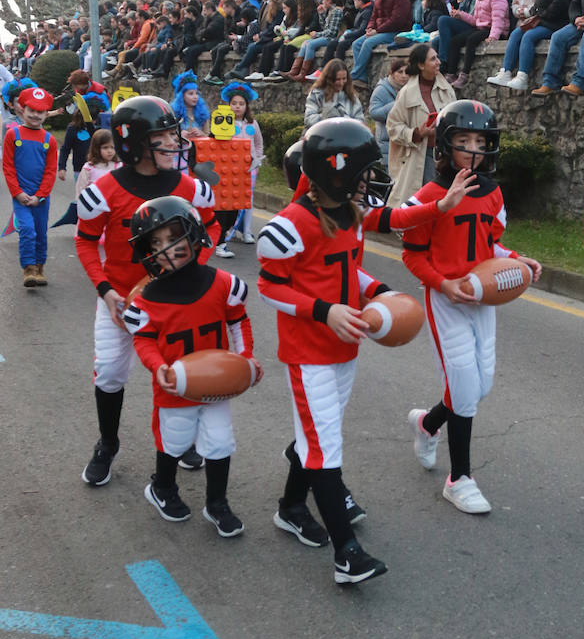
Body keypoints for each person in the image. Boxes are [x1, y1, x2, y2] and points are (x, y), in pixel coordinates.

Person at [256, 119, 390, 586]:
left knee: (315, 435)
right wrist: (322, 311)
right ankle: (346, 555)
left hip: (343, 348)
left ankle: (292, 506)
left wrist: (379, 290)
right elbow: (269, 287)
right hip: (309, 350)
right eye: (364, 170)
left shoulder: (349, 214)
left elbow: (349, 270)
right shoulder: (289, 225)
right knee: (324, 443)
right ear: (337, 171)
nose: (371, 179)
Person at [401, 100, 541, 514]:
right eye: (464, 140)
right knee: (464, 391)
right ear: (445, 146)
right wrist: (443, 284)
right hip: (447, 300)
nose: (475, 149)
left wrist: (517, 257)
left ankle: (427, 425)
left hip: (483, 298)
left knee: (479, 388)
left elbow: (489, 245)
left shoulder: (492, 192)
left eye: (482, 141)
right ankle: (459, 478)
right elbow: (412, 255)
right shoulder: (429, 196)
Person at [76, 96, 219, 487]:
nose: (174, 142)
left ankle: (180, 440)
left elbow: (211, 227)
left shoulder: (189, 186)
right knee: (109, 374)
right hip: (120, 297)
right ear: (135, 142)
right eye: (163, 135)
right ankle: (107, 442)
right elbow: (86, 242)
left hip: (173, 302)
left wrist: (192, 268)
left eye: (173, 134)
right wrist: (105, 291)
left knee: (179, 374)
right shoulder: (104, 190)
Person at [123, 197, 261, 536]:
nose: (164, 250)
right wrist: (157, 367)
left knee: (219, 442)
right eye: (154, 243)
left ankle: (217, 503)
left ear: (193, 233)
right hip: (175, 386)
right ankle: (163, 488)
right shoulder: (146, 299)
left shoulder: (223, 284)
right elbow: (143, 340)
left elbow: (238, 320)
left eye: (172, 238)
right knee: (174, 440)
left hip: (216, 382)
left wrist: (247, 358)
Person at [487, 0, 576, 91]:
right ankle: (506, 71)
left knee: (529, 36)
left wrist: (541, 14)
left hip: (554, 23)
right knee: (517, 33)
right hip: (544, 20)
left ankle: (523, 76)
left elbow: (559, 3)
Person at [386, 44, 456, 205]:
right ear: (421, 65)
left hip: (446, 155)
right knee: (424, 201)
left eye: (437, 57)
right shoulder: (406, 93)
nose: (438, 62)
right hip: (421, 156)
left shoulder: (446, 89)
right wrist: (417, 133)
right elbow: (393, 126)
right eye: (433, 59)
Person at [2, 84, 57, 288]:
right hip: (21, 197)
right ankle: (28, 269)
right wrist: (17, 193)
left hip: (41, 198)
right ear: (21, 109)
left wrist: (40, 195)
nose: (35, 115)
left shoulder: (49, 140)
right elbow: (7, 167)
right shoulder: (12, 135)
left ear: (46, 114)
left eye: (40, 112)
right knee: (27, 230)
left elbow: (51, 171)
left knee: (41, 232)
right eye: (31, 110)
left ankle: (40, 267)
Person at [442, 0, 508, 87]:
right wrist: (461, 15)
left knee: (471, 40)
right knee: (455, 41)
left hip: (494, 30)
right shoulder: (480, 0)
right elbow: (476, 21)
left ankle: (464, 74)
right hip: (482, 28)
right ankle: (451, 73)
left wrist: (493, 36)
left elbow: (498, 21)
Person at [349, 0, 412, 87]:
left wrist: (377, 31)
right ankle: (362, 77)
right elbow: (373, 17)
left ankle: (354, 75)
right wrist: (370, 28)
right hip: (379, 31)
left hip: (396, 31)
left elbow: (396, 21)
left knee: (368, 43)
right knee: (356, 44)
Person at [222, 82, 263, 245]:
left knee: (248, 200)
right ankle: (230, 228)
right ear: (229, 105)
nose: (237, 107)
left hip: (250, 168)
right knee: (232, 200)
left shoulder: (253, 124)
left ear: (247, 106)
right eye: (234, 103)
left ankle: (247, 231)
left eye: (241, 104)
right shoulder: (224, 124)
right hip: (231, 169)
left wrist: (257, 159)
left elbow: (259, 143)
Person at [368, 55, 409, 171]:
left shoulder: (410, 90)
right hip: (387, 145)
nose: (404, 76)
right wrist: (396, 105)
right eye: (400, 72)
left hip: (406, 143)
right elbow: (374, 113)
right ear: (392, 73)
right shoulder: (382, 89)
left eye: (407, 72)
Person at [304, 59, 367, 130]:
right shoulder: (316, 94)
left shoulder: (351, 96)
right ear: (329, 79)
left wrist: (344, 119)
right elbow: (308, 119)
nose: (341, 83)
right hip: (320, 136)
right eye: (338, 79)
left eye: (344, 79)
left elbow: (360, 121)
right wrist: (327, 117)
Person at [75, 128, 119, 198]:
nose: (110, 151)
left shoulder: (119, 167)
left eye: (112, 147)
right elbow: (80, 190)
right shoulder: (89, 168)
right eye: (105, 148)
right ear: (96, 149)